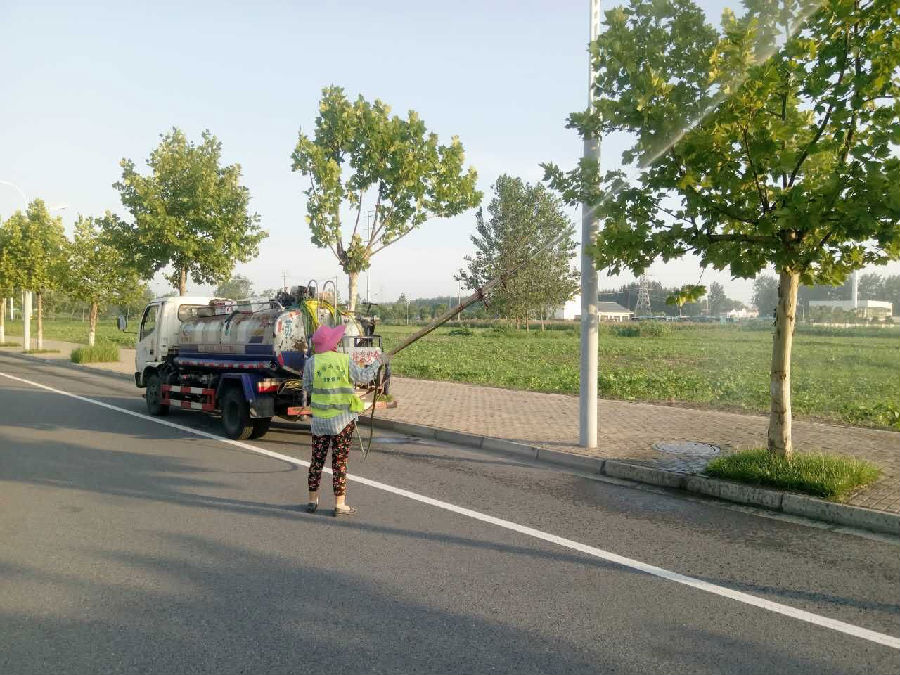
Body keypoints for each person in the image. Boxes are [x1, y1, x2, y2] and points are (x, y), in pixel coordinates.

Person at [302, 323, 389, 516]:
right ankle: (339, 505)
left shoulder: (311, 363)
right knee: (339, 462)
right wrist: (378, 361)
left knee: (316, 461)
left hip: (320, 422)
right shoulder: (344, 360)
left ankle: (312, 501)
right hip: (342, 422)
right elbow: (365, 376)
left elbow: (307, 386)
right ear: (334, 343)